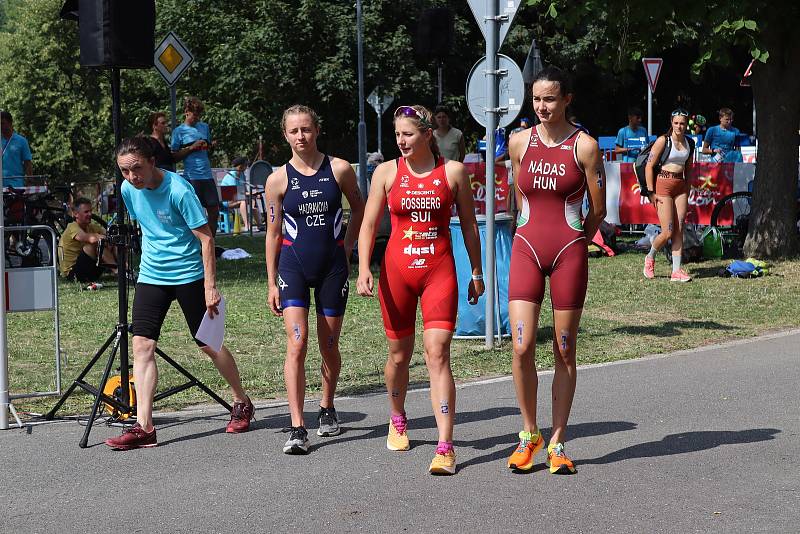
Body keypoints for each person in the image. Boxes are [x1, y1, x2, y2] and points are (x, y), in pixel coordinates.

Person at [356, 105, 484, 475]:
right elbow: (368, 225)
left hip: (438, 273)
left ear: (428, 135)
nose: (401, 141)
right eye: (397, 135)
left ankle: (445, 446)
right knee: (399, 355)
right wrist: (364, 267)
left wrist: (476, 271)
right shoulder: (386, 172)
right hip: (396, 274)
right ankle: (397, 417)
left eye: (408, 134)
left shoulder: (453, 172)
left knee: (437, 353)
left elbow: (470, 227)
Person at [105, 137, 254, 450]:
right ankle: (144, 427)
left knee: (208, 343)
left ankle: (241, 401)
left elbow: (207, 240)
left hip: (189, 275)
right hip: (152, 275)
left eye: (137, 168)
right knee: (142, 346)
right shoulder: (128, 190)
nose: (132, 176)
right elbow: (147, 227)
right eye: (124, 171)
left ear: (152, 162)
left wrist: (209, 286)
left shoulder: (179, 190)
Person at [506, 67, 606, 475]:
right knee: (522, 344)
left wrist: (578, 239)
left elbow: (597, 209)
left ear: (567, 99)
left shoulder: (585, 146)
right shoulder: (518, 141)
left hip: (569, 249)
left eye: (549, 99)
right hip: (527, 247)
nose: (542, 107)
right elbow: (518, 195)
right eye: (536, 100)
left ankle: (559, 441)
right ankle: (530, 434)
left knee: (565, 348)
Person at [265, 105, 364, 454]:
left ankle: (327, 406)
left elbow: (359, 208)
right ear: (286, 135)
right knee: (297, 342)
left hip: (331, 268)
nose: (300, 137)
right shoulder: (277, 179)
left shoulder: (338, 169)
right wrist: (271, 280)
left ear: (316, 130)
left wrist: (348, 247)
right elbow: (273, 233)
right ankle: (297, 426)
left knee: (328, 345)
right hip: (293, 267)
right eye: (294, 131)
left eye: (306, 129)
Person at [643, 109, 695, 282]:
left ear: (686, 124)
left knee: (679, 229)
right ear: (671, 123)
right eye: (676, 123)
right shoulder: (662, 141)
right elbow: (649, 166)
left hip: (680, 186)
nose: (679, 126)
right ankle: (650, 257)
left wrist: (687, 190)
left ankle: (676, 271)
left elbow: (689, 169)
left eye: (682, 123)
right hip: (663, 187)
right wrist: (651, 192)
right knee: (667, 232)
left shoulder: (690, 143)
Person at [171, 96, 221, 235]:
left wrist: (211, 147)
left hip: (207, 175)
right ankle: (194, 245)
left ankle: (210, 244)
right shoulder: (178, 132)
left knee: (214, 211)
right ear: (187, 112)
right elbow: (174, 157)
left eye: (199, 115)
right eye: (195, 115)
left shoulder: (204, 127)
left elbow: (208, 150)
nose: (197, 118)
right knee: (194, 214)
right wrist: (192, 147)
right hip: (192, 177)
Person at [58, 198, 116, 282]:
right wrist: (106, 238)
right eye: (86, 212)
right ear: (76, 214)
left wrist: (113, 240)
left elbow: (108, 235)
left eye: (90, 211)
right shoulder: (72, 227)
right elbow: (90, 239)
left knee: (116, 243)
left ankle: (126, 270)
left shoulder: (91, 227)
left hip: (88, 270)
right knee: (95, 244)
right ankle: (117, 271)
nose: (90, 214)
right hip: (73, 274)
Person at [1, 111, 33, 188]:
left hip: (16, 186)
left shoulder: (21, 141)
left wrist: (29, 184)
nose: (0, 126)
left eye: (2, 123)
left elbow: (28, 163)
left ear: (10, 123)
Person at [220, 156, 251, 231]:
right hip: (227, 200)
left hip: (238, 198)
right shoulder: (232, 175)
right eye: (246, 165)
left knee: (253, 200)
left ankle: (259, 224)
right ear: (241, 166)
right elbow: (234, 193)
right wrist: (248, 194)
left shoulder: (242, 175)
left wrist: (252, 194)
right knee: (243, 201)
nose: (247, 167)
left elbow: (244, 189)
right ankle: (247, 225)